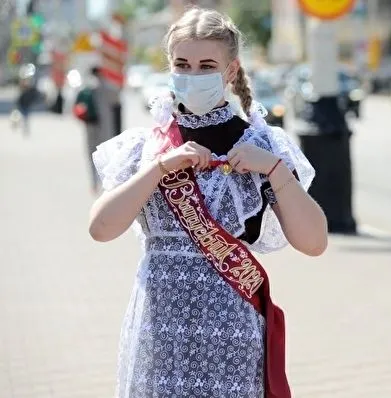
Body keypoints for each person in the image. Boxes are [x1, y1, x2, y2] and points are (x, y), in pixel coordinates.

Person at [88, 7, 328, 398]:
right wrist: (157, 169)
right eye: (183, 64)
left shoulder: (264, 145)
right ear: (170, 67)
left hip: (231, 331)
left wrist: (273, 169)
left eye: (206, 65)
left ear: (230, 71)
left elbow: (314, 242)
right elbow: (100, 228)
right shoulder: (147, 147)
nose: (193, 74)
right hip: (158, 328)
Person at [73, 66, 105, 193]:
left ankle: (94, 182)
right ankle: (101, 181)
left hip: (88, 125)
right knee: (103, 154)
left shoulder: (84, 89)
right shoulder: (102, 87)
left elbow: (76, 106)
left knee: (91, 153)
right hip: (102, 126)